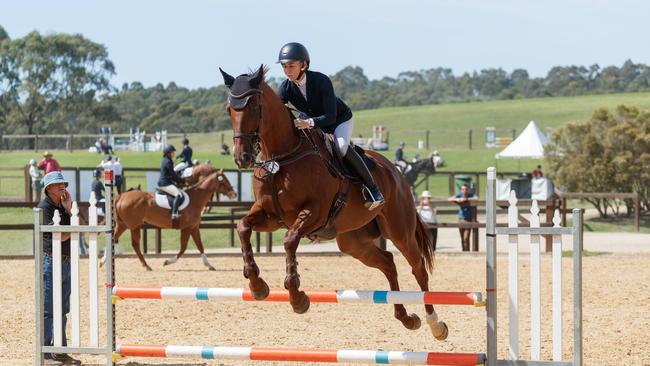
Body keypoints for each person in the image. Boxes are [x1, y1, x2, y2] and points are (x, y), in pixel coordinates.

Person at [276, 42, 384, 209]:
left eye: (291, 66)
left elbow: (330, 116)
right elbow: (278, 109)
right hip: (313, 123)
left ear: (304, 64)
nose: (287, 70)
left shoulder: (321, 80)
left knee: (340, 147)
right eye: (284, 66)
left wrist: (308, 122)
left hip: (338, 120)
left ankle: (373, 189)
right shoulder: (285, 87)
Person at [38, 171, 82, 365]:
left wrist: (69, 209)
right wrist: (71, 223)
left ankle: (60, 351)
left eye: (63, 183)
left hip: (66, 261)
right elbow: (62, 235)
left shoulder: (61, 206)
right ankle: (46, 353)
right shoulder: (45, 207)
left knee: (63, 308)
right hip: (51, 261)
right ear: (48, 188)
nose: (62, 186)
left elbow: (77, 228)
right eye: (57, 184)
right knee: (49, 308)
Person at [448, 183, 479, 251]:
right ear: (461, 190)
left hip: (468, 220)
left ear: (468, 190)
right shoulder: (459, 195)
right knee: (462, 238)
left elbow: (477, 198)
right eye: (463, 189)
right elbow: (449, 199)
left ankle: (467, 251)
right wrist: (457, 200)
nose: (464, 191)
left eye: (466, 189)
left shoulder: (471, 195)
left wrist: (467, 199)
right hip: (461, 219)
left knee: (466, 237)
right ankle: (464, 251)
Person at [158, 145, 185, 220]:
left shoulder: (166, 160)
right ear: (168, 153)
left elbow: (171, 175)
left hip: (166, 181)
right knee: (178, 194)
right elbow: (173, 175)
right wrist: (181, 180)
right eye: (173, 152)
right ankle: (174, 214)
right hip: (165, 183)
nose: (174, 153)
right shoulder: (168, 162)